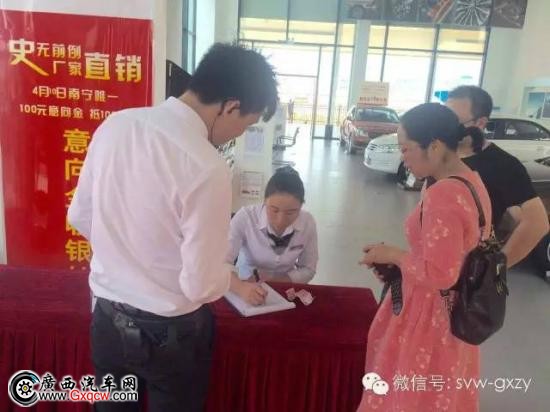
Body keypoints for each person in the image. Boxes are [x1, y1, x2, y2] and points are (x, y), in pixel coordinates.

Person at [68, 43, 278, 412]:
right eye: (244, 125)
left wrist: (127, 260)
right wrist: (229, 279)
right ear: (230, 106)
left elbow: (80, 216)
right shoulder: (206, 166)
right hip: (170, 334)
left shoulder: (116, 125)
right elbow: (200, 284)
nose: (236, 135)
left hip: (107, 319)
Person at [357, 103, 492, 412]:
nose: (403, 157)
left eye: (406, 149)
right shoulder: (471, 181)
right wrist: (400, 264)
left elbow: (441, 274)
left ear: (434, 146)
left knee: (408, 395)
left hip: (430, 314)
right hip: (456, 311)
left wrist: (394, 254)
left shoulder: (443, 195)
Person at [446, 85, 549, 268]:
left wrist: (495, 269)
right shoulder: (444, 154)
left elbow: (537, 223)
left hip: (467, 271)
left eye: (454, 123)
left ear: (480, 123)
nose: (445, 129)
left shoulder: (503, 165)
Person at [227, 166, 318, 305]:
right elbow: (221, 263)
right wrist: (241, 288)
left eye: (291, 212)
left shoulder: (307, 222)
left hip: (285, 288)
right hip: (246, 285)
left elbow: (308, 268)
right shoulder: (246, 217)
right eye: (274, 210)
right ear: (264, 201)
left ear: (301, 206)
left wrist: (277, 280)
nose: (280, 221)